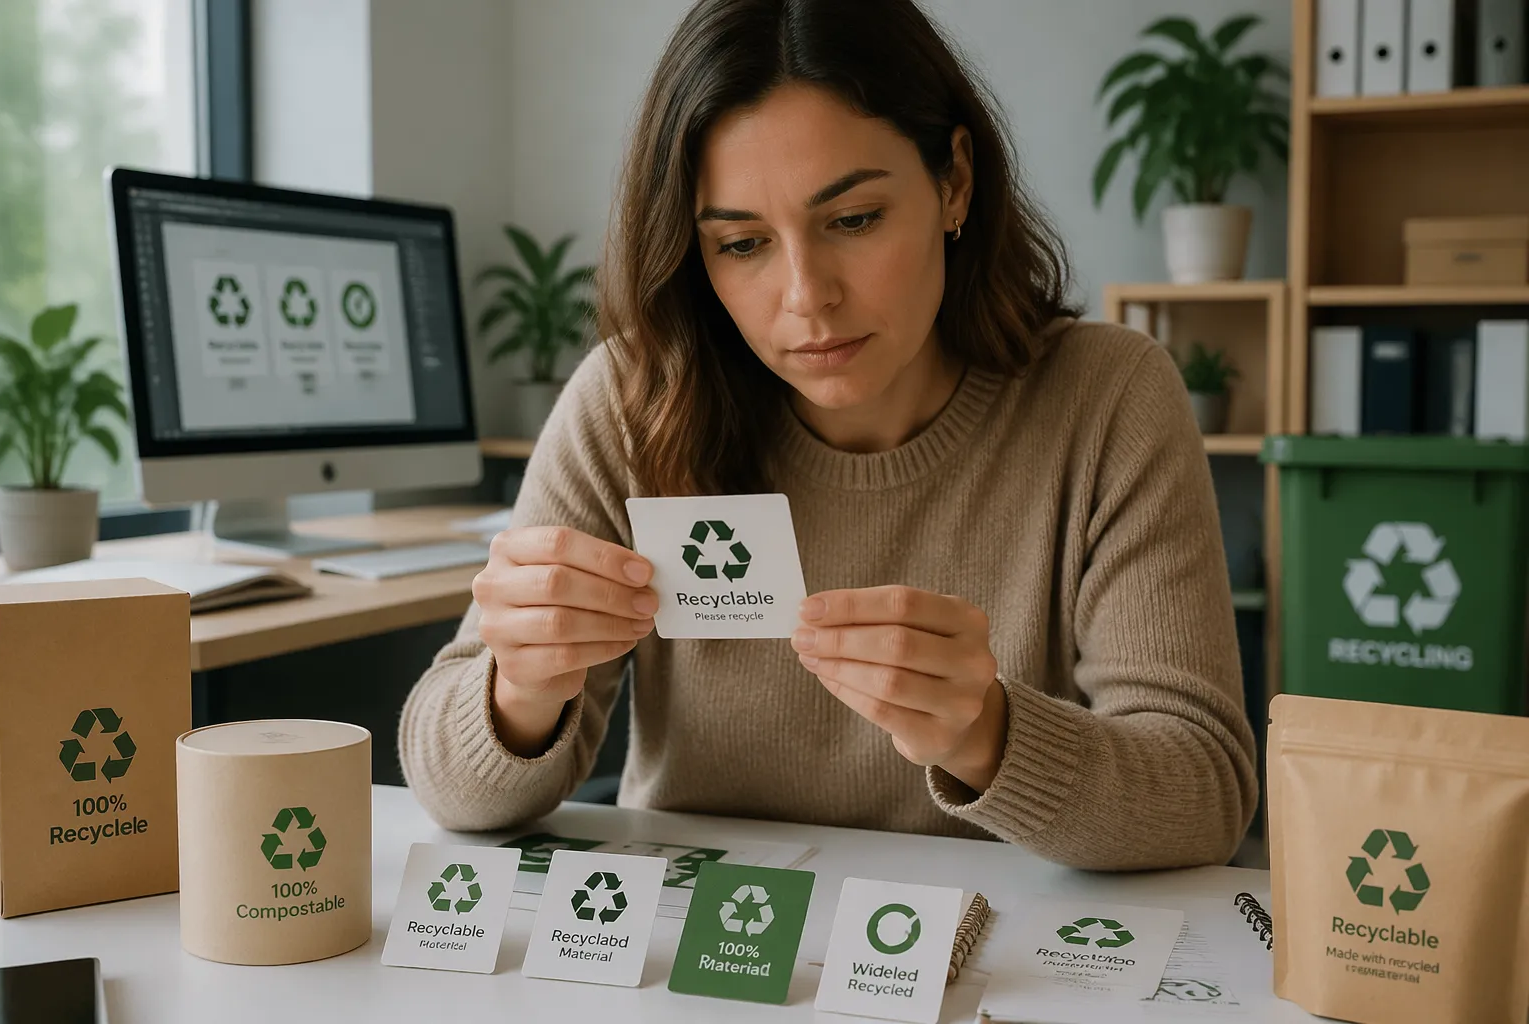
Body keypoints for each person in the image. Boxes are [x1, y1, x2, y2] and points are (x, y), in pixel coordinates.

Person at [400, 0, 1258, 871]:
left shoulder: (1106, 398)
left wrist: (990, 737)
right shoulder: (635, 398)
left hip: (990, 964)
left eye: (853, 221)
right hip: (700, 957)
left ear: (954, 180)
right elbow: (445, 786)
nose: (807, 297)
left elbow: (1204, 794)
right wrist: (522, 694)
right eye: (741, 244)